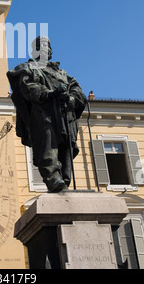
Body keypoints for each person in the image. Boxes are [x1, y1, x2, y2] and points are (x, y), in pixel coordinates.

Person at [7, 36, 87, 192]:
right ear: (34, 51)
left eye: (47, 46)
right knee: (47, 145)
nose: (44, 48)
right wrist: (49, 94)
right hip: (44, 113)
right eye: (40, 46)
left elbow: (77, 89)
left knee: (66, 147)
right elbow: (27, 86)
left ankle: (64, 178)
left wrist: (71, 99)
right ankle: (53, 178)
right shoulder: (27, 68)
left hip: (65, 114)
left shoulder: (62, 73)